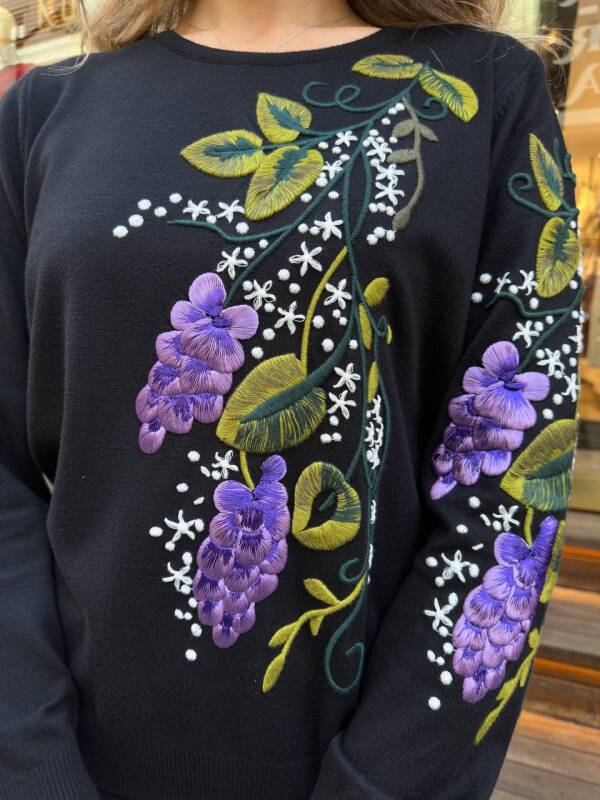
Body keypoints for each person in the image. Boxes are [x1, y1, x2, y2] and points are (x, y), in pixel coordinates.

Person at [0, 1, 584, 799]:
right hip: (65, 760)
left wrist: (379, 786)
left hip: (350, 770)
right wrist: (31, 768)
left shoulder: (483, 91)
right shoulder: (45, 110)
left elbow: (511, 499)